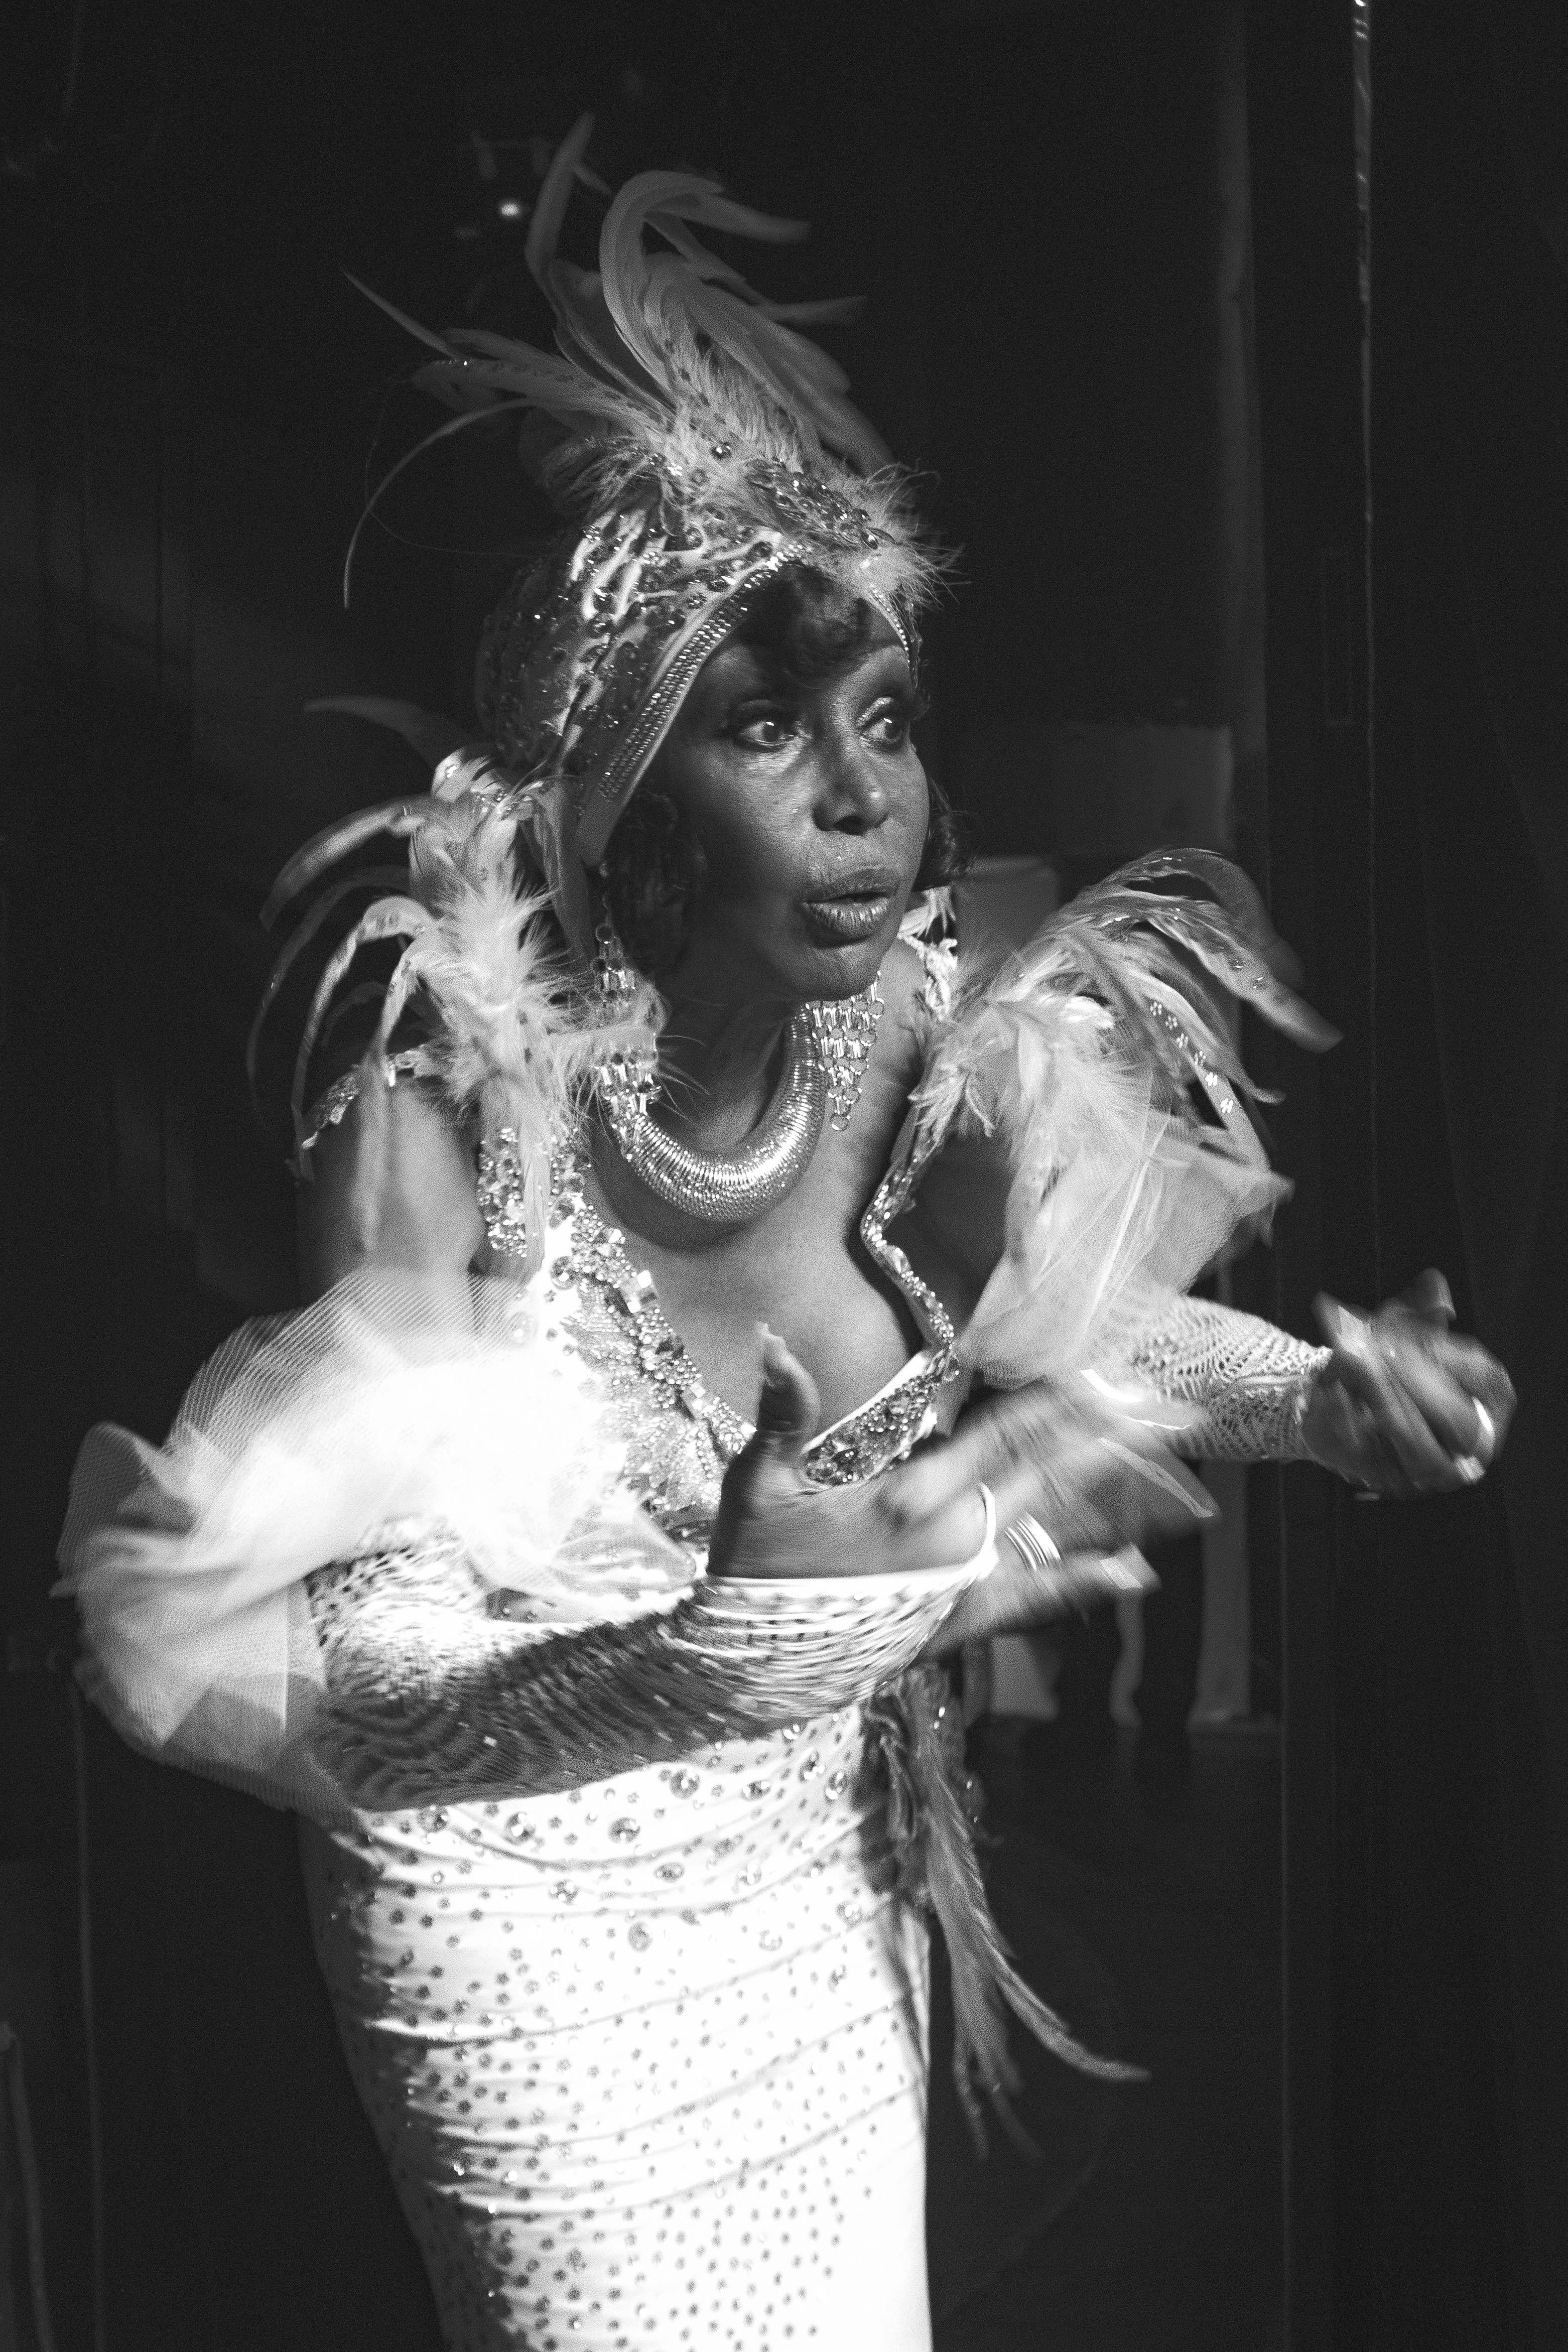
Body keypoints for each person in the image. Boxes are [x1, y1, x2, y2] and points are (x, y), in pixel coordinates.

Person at [58, 122, 1514, 2352]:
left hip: (795, 1908)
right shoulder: (451, 1114)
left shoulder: (935, 1057)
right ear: (631, 817)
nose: (868, 796)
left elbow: (1092, 1352)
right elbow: (371, 1707)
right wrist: (720, 1645)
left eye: (887, 720)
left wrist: (1323, 1398)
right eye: (765, 728)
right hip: (512, 1922)